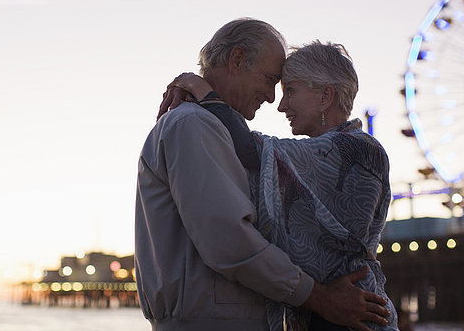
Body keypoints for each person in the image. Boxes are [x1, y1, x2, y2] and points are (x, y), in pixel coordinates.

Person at [135, 18, 390, 331]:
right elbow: (228, 239)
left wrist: (202, 90)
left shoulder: (357, 150)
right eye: (271, 80)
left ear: (325, 97)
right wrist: (319, 298)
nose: (275, 101)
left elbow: (257, 150)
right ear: (238, 60)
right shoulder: (194, 125)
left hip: (344, 310)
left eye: (288, 90)